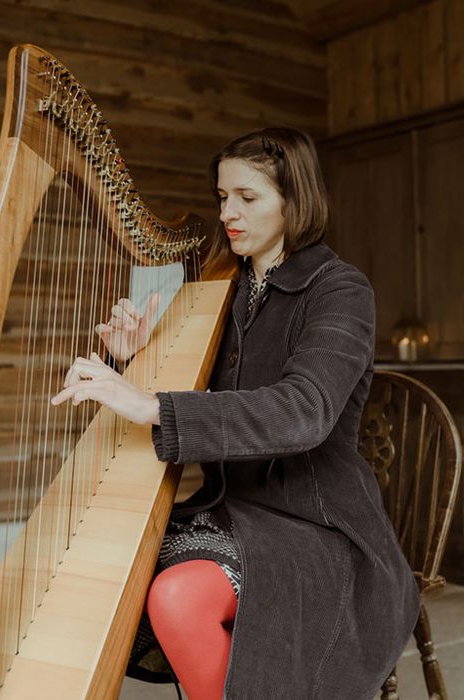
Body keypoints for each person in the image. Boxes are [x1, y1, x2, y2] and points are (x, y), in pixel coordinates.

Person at [51, 127, 420, 699]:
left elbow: (306, 411)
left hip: (321, 527)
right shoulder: (221, 292)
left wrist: (151, 403)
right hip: (236, 513)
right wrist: (127, 361)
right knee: (94, 572)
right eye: (223, 197)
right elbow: (174, 395)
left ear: (295, 201)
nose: (229, 213)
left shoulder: (341, 291)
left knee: (177, 596)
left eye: (249, 198)